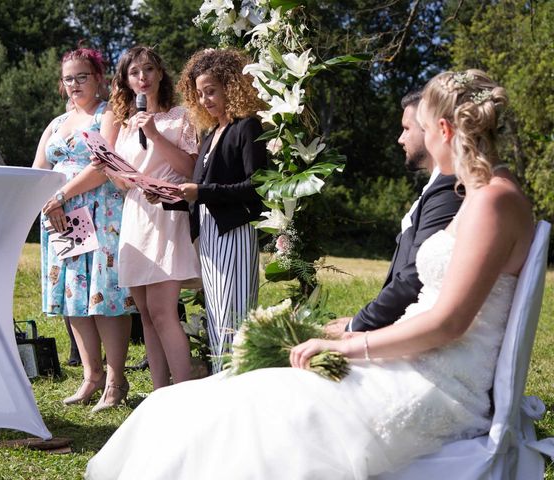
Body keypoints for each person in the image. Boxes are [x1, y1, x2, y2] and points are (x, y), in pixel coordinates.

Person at [85, 69, 534, 479]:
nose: (404, 136)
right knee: (205, 399)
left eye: (412, 127)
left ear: (443, 129)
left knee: (248, 409)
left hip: (435, 383)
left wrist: (348, 344)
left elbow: (447, 323)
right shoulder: (483, 192)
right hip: (416, 360)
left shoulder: (491, 201)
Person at [32, 47, 134, 412]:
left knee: (102, 297)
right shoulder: (57, 124)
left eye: (81, 77)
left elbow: (103, 165)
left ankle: (115, 380)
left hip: (99, 212)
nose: (74, 84)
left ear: (99, 78)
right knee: (75, 298)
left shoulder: (109, 114)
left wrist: (59, 195)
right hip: (61, 217)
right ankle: (90, 376)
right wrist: (46, 202)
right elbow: (38, 170)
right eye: (68, 78)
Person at [100, 46, 201, 389]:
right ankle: (160, 392)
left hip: (167, 214)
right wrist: (117, 172)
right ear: (126, 81)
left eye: (148, 70)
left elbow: (190, 169)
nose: (142, 77)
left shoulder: (180, 117)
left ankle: (185, 390)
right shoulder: (125, 124)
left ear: (160, 74)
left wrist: (155, 134)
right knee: (144, 313)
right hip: (136, 213)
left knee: (162, 310)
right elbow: (119, 179)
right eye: (134, 72)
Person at [327, 90, 464, 336]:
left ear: (432, 128)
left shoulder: (449, 187)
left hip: (414, 332)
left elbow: (414, 277)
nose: (400, 139)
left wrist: (358, 327)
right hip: (401, 325)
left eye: (407, 129)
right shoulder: (438, 185)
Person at [173, 48, 268, 373]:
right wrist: (168, 196)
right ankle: (221, 382)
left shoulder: (247, 128)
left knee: (235, 315)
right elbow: (201, 192)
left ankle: (237, 385)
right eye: (199, 94)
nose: (204, 100)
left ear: (231, 86)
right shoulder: (211, 133)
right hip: (210, 234)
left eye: (211, 91)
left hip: (235, 230)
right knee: (216, 315)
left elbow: (257, 187)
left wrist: (201, 191)